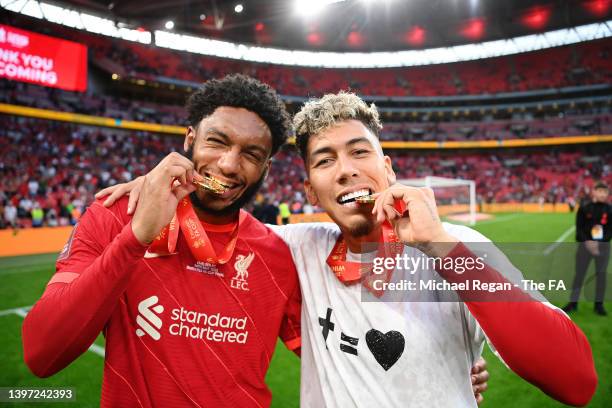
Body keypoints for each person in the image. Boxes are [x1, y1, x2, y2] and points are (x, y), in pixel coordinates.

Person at [101, 93, 597, 406]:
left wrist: (443, 248)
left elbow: (576, 382)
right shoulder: (292, 251)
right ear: (311, 193)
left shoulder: (464, 251)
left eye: (360, 151)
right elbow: (205, 217)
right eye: (325, 160)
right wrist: (165, 181)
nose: (346, 169)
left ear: (390, 168)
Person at [22, 75, 303, 407]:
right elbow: (42, 354)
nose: (228, 164)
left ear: (266, 169)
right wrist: (135, 238)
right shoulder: (115, 217)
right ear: (190, 139)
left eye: (251, 154)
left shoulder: (280, 253)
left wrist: (382, 233)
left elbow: (353, 347)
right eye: (216, 141)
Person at [563, 181, 611, 316]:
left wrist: (599, 243)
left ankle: (599, 305)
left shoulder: (610, 209)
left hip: (603, 249)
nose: (602, 194)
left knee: (601, 276)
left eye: (605, 192)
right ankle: (573, 303)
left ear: (607, 194)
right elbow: (579, 229)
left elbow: (609, 231)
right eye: (600, 191)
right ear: (594, 192)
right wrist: (588, 242)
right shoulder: (584, 207)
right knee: (579, 275)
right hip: (584, 247)